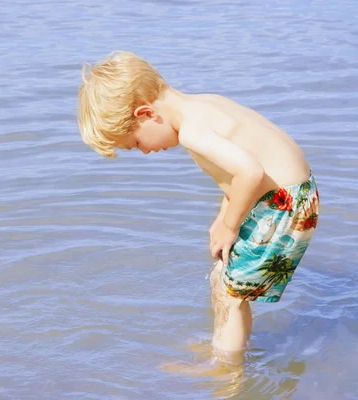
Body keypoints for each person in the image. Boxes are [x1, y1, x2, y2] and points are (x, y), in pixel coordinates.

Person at [77, 51, 320, 365]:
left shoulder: (193, 132)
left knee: (229, 294)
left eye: (136, 143)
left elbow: (250, 173)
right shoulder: (206, 103)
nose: (146, 152)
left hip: (285, 206)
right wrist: (223, 216)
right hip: (291, 196)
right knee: (224, 279)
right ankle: (229, 347)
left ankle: (226, 370)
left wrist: (230, 225)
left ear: (146, 113)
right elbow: (238, 172)